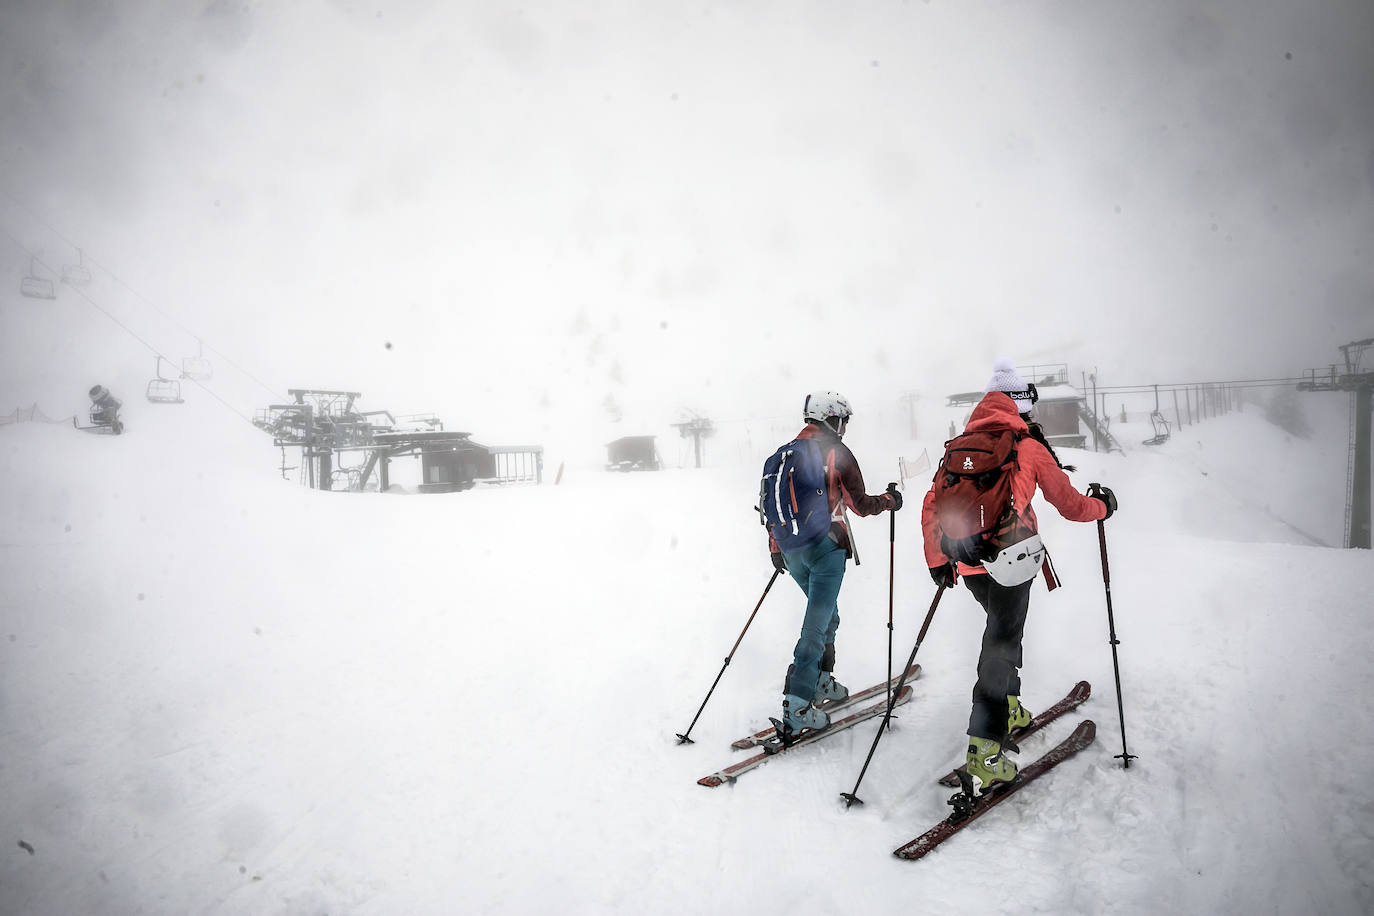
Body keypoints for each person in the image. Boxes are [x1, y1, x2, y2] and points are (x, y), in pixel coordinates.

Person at [920, 359, 1117, 793]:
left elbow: (931, 503)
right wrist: (1103, 507)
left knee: (1002, 631)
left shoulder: (959, 445)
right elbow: (1068, 503)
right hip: (1012, 560)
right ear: (1017, 405)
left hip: (968, 563)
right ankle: (985, 750)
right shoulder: (1024, 444)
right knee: (1000, 644)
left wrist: (938, 559)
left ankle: (1009, 706)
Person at [766, 391, 901, 738]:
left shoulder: (782, 455)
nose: (845, 428)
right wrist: (889, 501)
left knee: (829, 616)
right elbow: (860, 504)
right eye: (843, 420)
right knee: (815, 625)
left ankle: (822, 681)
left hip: (790, 549)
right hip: (825, 549)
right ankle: (797, 704)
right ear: (831, 419)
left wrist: (776, 548)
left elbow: (772, 507)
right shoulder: (836, 452)